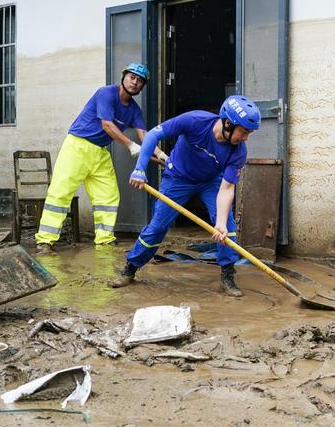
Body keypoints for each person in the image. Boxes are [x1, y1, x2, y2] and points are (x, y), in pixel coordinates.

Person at [108, 95, 260, 296]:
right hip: (177, 178)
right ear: (228, 123)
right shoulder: (195, 121)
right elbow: (153, 135)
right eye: (244, 131)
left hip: (210, 182)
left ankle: (227, 274)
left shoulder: (238, 152)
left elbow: (227, 188)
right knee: (158, 226)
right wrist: (140, 169)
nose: (246, 138)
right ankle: (130, 268)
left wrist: (221, 223)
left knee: (227, 227)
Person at [35, 63, 167, 252]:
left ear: (142, 86)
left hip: (100, 151)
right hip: (77, 146)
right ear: (124, 77)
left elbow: (145, 136)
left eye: (140, 81)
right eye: (132, 77)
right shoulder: (106, 93)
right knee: (61, 192)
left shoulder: (134, 110)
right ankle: (45, 240)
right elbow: (107, 125)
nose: (135, 83)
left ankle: (105, 238)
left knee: (108, 195)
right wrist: (130, 145)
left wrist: (163, 156)